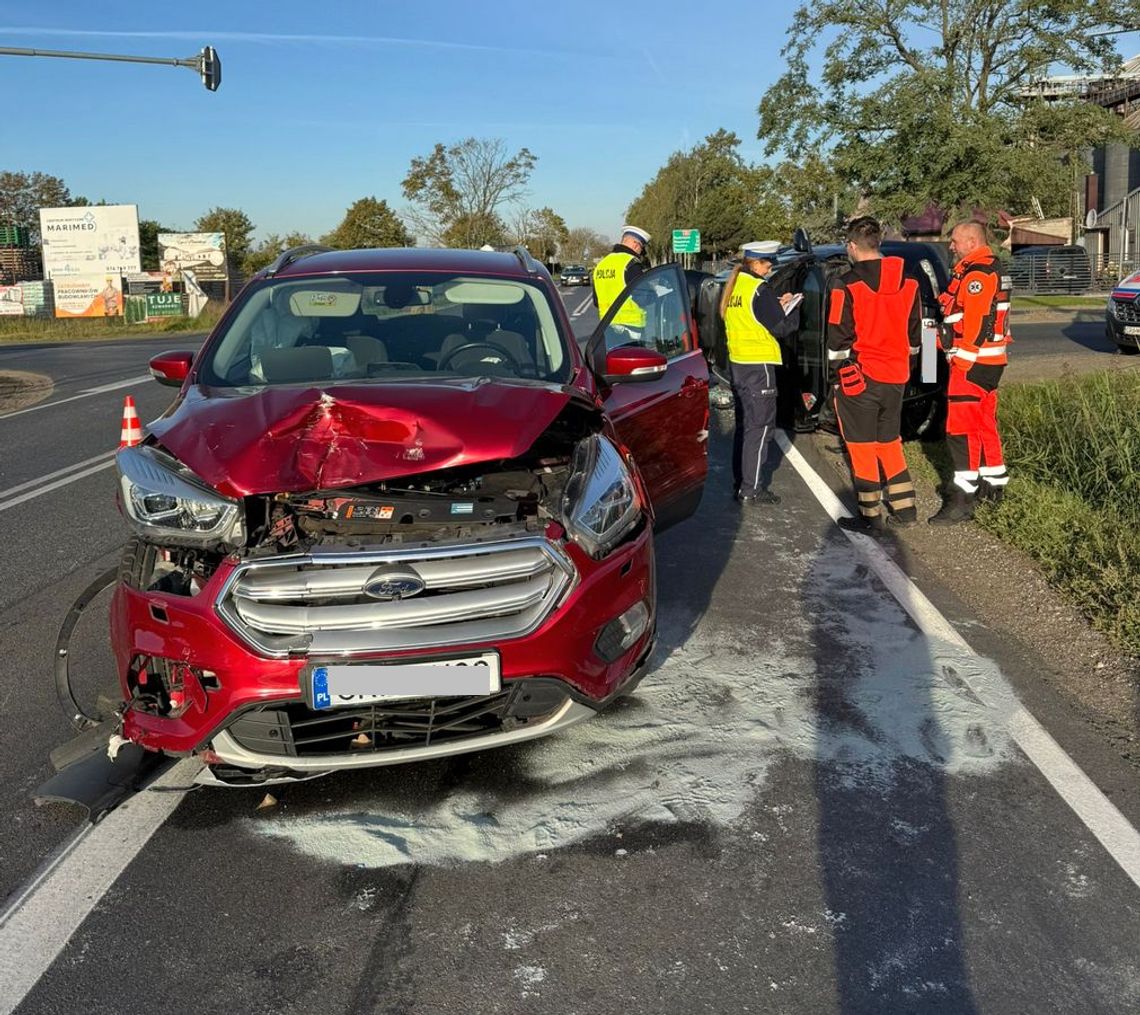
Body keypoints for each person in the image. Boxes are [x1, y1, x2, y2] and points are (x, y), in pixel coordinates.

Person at [826, 216, 921, 532]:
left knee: (862, 447)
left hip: (860, 378)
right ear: (877, 244)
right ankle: (906, 510)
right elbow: (915, 337)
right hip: (896, 377)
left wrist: (835, 375)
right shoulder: (910, 282)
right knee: (889, 442)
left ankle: (870, 515)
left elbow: (837, 338)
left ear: (852, 246)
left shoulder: (846, 284)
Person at [928, 220, 1011, 524]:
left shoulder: (978, 274)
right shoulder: (984, 268)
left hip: (973, 364)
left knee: (960, 431)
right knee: (984, 424)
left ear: (972, 242)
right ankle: (994, 486)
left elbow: (974, 322)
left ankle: (962, 500)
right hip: (989, 363)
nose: (951, 245)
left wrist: (961, 361)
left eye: (956, 241)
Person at [720, 240, 801, 506]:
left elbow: (753, 316)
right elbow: (782, 327)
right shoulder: (759, 289)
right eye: (768, 264)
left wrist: (776, 303)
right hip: (759, 367)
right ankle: (751, 489)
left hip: (739, 364)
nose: (770, 269)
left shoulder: (736, 286)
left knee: (746, 427)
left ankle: (741, 482)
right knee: (760, 429)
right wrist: (796, 307)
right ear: (755, 263)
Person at [592, 225, 651, 331]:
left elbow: (596, 301)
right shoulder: (631, 263)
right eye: (641, 248)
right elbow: (643, 298)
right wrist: (655, 294)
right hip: (631, 328)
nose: (640, 252)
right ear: (635, 244)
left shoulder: (601, 264)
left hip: (606, 327)